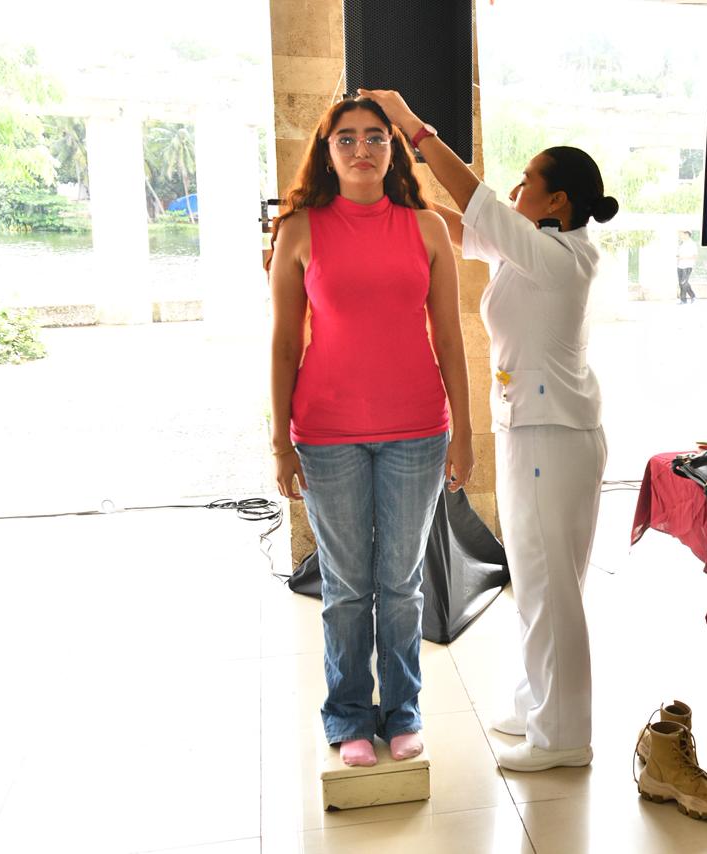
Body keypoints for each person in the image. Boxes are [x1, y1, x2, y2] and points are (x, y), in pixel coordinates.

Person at [358, 88, 618, 773]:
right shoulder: (534, 247)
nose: (514, 188)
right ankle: (538, 706)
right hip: (532, 429)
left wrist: (413, 127)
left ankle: (564, 737)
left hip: (555, 435)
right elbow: (453, 222)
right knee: (532, 578)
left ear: (557, 200)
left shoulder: (560, 255)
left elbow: (474, 200)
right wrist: (390, 181)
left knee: (553, 586)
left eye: (527, 180)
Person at [267, 96, 474, 768]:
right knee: (348, 586)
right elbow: (283, 343)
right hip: (326, 434)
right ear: (327, 153)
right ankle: (349, 714)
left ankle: (403, 710)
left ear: (394, 149)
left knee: (402, 583)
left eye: (375, 138)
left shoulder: (427, 228)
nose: (362, 149)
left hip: (418, 431)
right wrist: (280, 443)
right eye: (347, 139)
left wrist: (465, 433)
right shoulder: (299, 230)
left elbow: (449, 338)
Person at [676, 231, 698, 304]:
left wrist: (683, 257)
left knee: (683, 282)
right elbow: (678, 254)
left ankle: (684, 300)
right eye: (682, 234)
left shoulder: (692, 244)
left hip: (688, 265)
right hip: (680, 265)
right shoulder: (682, 243)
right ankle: (690, 297)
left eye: (684, 234)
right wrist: (678, 258)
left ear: (688, 235)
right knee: (681, 283)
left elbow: (695, 256)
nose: (682, 236)